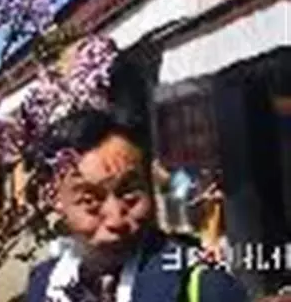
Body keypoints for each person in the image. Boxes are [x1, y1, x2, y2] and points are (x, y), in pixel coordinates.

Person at [24, 107, 249, 302]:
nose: (116, 219)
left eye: (129, 192)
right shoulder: (43, 287)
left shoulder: (206, 288)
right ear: (54, 199)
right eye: (90, 200)